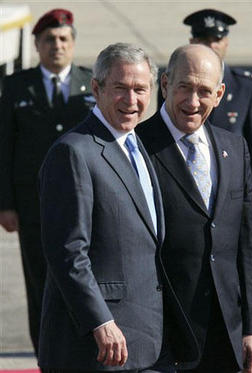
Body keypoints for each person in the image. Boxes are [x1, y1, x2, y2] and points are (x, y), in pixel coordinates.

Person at [37, 42, 184, 373]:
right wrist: (100, 320)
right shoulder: (74, 152)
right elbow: (67, 252)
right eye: (120, 88)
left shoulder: (137, 144)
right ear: (96, 89)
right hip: (97, 348)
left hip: (148, 341)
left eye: (140, 89)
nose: (131, 100)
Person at [137, 44, 252, 373]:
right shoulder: (136, 147)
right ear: (165, 85)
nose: (193, 102)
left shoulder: (235, 148)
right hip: (163, 336)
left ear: (219, 94)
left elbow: (246, 246)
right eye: (184, 88)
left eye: (204, 91)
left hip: (226, 335)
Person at [0, 8, 94, 355]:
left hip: (82, 204)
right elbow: (4, 146)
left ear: (72, 43)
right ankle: (46, 353)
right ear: (37, 45)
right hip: (32, 206)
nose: (57, 45)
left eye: (64, 39)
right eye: (50, 40)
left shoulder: (90, 84)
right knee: (39, 282)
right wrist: (5, 204)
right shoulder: (15, 86)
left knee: (81, 279)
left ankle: (81, 350)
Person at [157, 8, 252, 184]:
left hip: (228, 185)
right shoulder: (174, 83)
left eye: (217, 39)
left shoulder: (247, 87)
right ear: (192, 41)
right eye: (203, 39)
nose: (211, 45)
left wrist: (241, 191)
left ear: (226, 42)